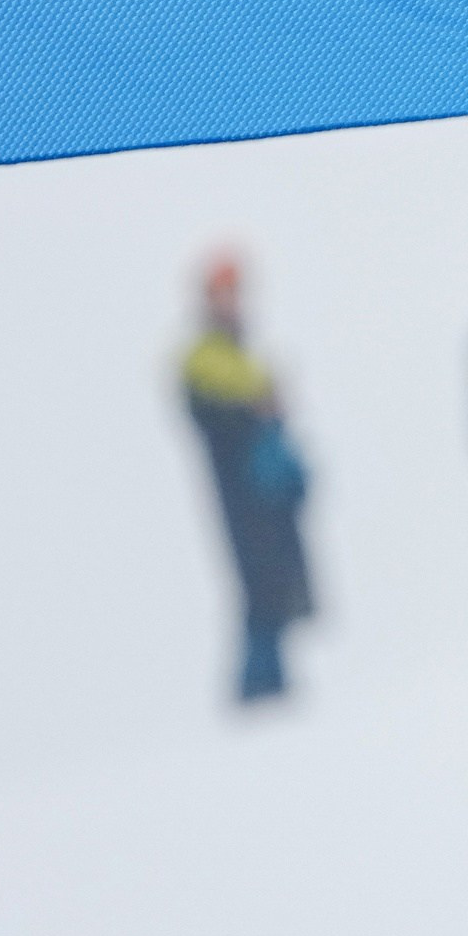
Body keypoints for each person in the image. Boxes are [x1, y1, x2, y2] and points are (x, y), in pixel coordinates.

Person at [182, 254, 313, 705]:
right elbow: (214, 420)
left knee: (275, 586)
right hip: (240, 496)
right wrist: (255, 410)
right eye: (224, 292)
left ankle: (272, 683)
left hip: (266, 496)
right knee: (257, 588)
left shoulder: (243, 354)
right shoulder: (204, 358)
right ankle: (258, 686)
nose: (233, 301)